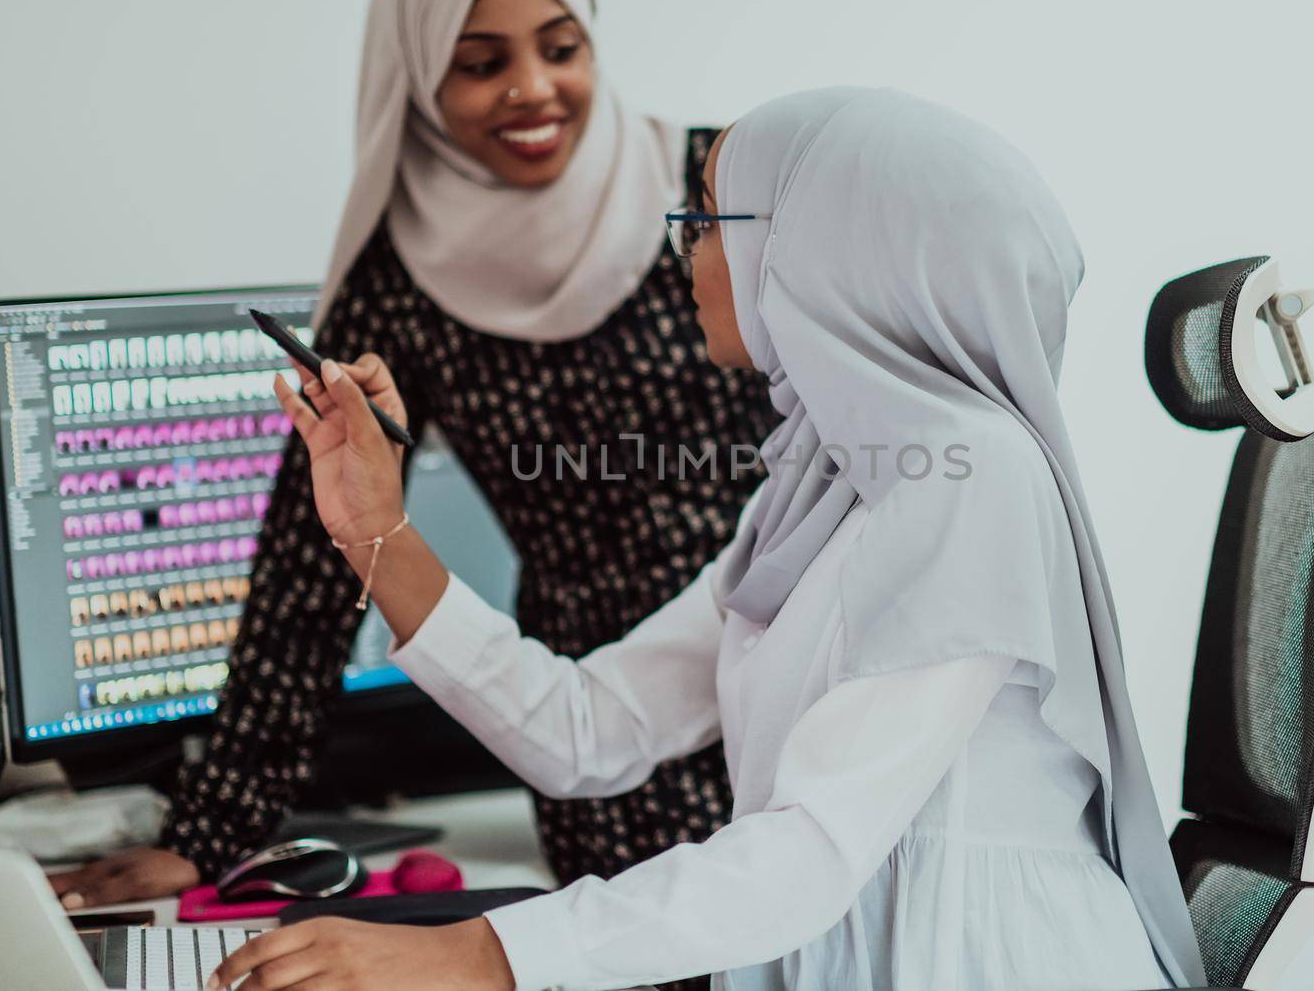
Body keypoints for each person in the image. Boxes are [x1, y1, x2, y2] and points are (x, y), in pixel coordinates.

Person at [209, 87, 1208, 991]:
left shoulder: (975, 475)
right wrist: (374, 528)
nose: (680, 249)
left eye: (708, 219)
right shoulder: (819, 479)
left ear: (825, 248)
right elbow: (585, 730)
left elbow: (808, 849)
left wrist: (479, 951)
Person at [48, 0, 777, 940]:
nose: (531, 88)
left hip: (792, 661)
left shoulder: (721, 192)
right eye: (480, 64)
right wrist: (213, 829)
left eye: (561, 48)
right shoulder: (399, 279)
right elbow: (315, 557)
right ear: (414, 80)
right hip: (591, 723)